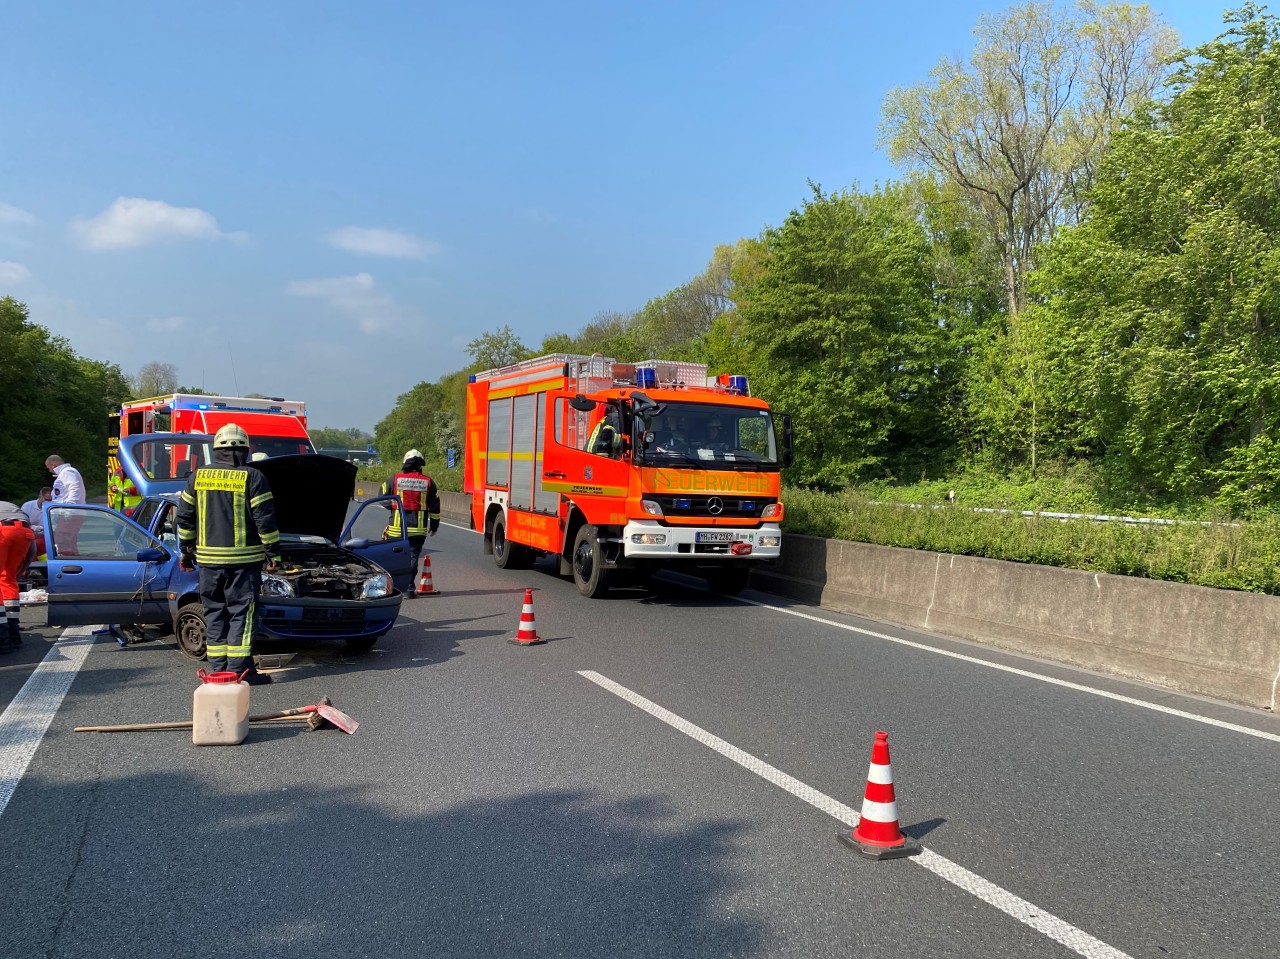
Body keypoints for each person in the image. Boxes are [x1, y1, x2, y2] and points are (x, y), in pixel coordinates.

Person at [175, 423, 281, 685]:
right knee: (241, 616)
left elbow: (185, 520)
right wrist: (274, 554)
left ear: (216, 449)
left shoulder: (197, 478)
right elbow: (264, 521)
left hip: (208, 564)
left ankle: (217, 672)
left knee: (214, 613)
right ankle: (238, 674)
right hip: (243, 564)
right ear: (245, 449)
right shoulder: (253, 477)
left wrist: (186, 553)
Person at [381, 449, 440, 595]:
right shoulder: (428, 482)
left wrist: (393, 506)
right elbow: (435, 507)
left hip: (396, 528)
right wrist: (434, 526)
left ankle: (393, 588)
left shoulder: (393, 479)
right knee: (412, 558)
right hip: (418, 529)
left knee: (394, 558)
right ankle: (409, 588)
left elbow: (381, 497)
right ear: (420, 465)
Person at [0, 500, 36, 653]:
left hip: (3, 530)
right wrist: (22, 567)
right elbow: (32, 549)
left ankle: (2, 636)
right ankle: (13, 630)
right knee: (8, 578)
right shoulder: (9, 506)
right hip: (25, 532)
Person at [46, 455, 86, 555]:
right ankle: (73, 560)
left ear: (53, 464)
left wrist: (69, 507)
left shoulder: (67, 472)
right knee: (69, 541)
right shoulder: (65, 473)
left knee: (63, 539)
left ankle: (66, 561)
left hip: (70, 513)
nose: (49, 471)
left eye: (49, 468)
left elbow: (74, 488)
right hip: (69, 512)